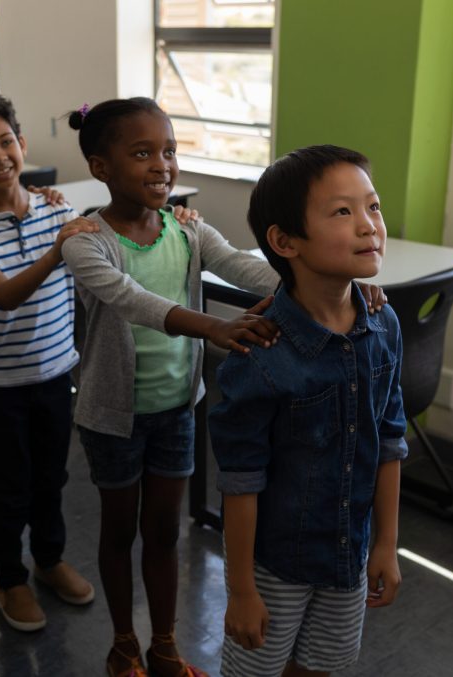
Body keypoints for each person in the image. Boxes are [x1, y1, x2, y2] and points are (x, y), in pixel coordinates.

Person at [60, 96, 293, 677]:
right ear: (101, 167)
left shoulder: (188, 231)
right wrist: (216, 326)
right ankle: (123, 644)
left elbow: (246, 267)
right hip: (112, 417)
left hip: (176, 411)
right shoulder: (84, 241)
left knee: (162, 533)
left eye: (168, 150)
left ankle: (163, 645)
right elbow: (133, 302)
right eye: (142, 153)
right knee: (120, 532)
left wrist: (316, 277)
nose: (161, 163)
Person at [210, 145, 407, 677]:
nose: (369, 226)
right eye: (343, 212)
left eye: (374, 207)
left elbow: (390, 440)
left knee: (321, 669)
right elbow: (241, 481)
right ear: (284, 241)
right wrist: (242, 590)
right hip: (276, 565)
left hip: (347, 557)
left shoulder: (382, 326)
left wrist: (386, 545)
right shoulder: (261, 355)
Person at [0, 89, 98, 632]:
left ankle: (49, 561)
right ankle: (10, 579)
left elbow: (101, 262)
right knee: (9, 490)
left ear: (23, 143)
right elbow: (4, 294)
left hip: (57, 376)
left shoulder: (59, 208)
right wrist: (58, 249)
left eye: (6, 141)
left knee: (51, 479)